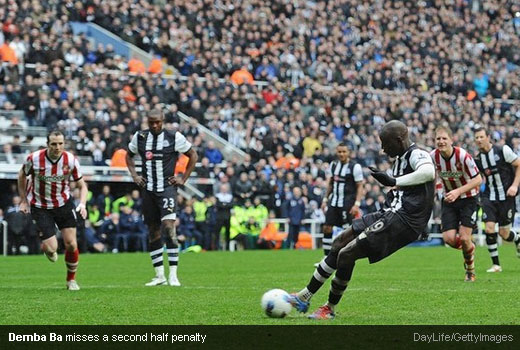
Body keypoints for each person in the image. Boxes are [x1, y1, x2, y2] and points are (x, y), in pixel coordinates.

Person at [288, 120, 435, 319]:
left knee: (347, 254)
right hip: (389, 212)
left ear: (399, 140)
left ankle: (329, 308)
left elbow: (428, 172)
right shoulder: (400, 158)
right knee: (340, 241)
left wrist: (394, 181)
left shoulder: (417, 154)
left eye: (386, 143)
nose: (383, 149)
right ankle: (304, 296)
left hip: (402, 220)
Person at [126, 109, 197, 286]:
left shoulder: (174, 137)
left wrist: (183, 178)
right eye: (151, 122)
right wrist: (135, 175)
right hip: (148, 189)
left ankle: (173, 274)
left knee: (168, 226)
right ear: (147, 122)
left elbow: (193, 155)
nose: (155, 125)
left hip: (167, 188)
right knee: (153, 230)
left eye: (158, 122)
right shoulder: (140, 137)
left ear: (163, 121)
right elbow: (128, 155)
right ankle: (159, 276)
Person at [17, 130, 88, 291]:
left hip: (63, 204)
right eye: (54, 144)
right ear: (47, 144)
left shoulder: (70, 160)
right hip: (40, 206)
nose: (58, 147)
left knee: (71, 244)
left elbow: (82, 185)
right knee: (51, 248)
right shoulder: (34, 159)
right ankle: (48, 249)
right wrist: (23, 200)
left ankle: (71, 280)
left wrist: (82, 204)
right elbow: (21, 175)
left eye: (61, 143)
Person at [431, 126, 482, 282]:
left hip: (469, 199)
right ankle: (469, 248)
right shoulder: (433, 157)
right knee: (449, 239)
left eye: (444, 138)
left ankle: (470, 271)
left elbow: (478, 179)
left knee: (465, 237)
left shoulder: (463, 156)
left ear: (451, 140)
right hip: (449, 200)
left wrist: (458, 191)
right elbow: (432, 176)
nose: (441, 141)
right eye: (438, 138)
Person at [474, 126, 520, 272]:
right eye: (477, 138)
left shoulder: (503, 150)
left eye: (482, 137)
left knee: (504, 234)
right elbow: (478, 178)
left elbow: (519, 165)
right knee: (489, 228)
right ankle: (496, 265)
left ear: (488, 137)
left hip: (506, 196)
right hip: (489, 196)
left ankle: (518, 239)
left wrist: (514, 186)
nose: (479, 140)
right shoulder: (478, 159)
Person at [320, 143, 364, 260]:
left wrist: (357, 204)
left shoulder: (355, 167)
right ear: (336, 152)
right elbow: (330, 183)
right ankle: (326, 257)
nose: (341, 154)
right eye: (339, 152)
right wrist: (325, 199)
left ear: (348, 152)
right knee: (327, 227)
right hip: (334, 201)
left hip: (347, 202)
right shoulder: (333, 165)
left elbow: (360, 186)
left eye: (344, 152)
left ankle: (346, 255)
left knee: (347, 230)